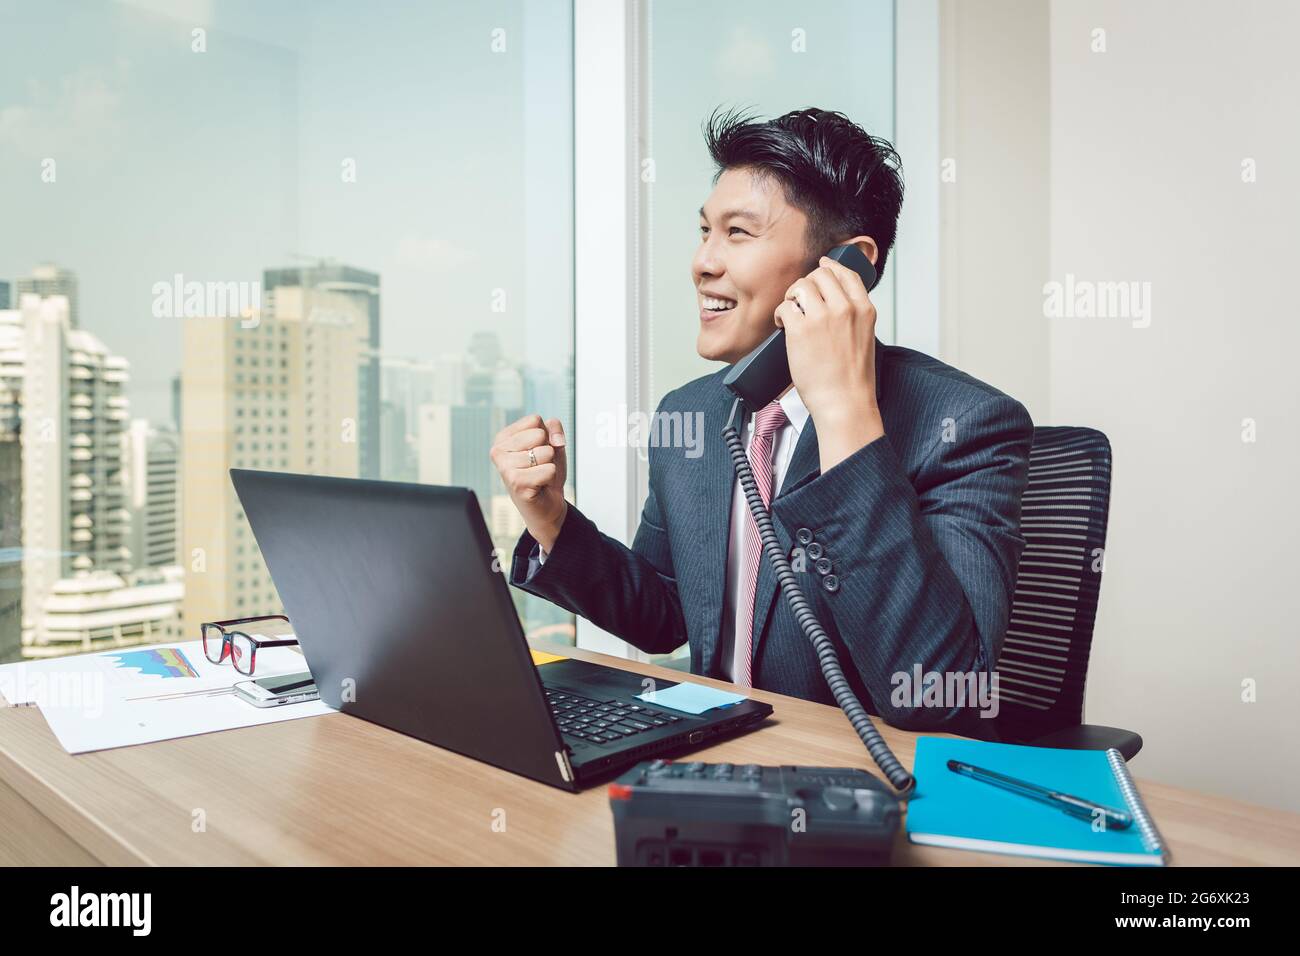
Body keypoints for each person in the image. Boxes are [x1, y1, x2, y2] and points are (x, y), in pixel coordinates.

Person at [490, 107, 1032, 729]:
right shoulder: (692, 413)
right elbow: (664, 615)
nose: (702, 262)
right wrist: (551, 518)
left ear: (844, 267)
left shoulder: (966, 424)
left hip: (856, 786)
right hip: (712, 764)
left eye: (738, 233)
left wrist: (845, 417)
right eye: (704, 232)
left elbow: (945, 696)